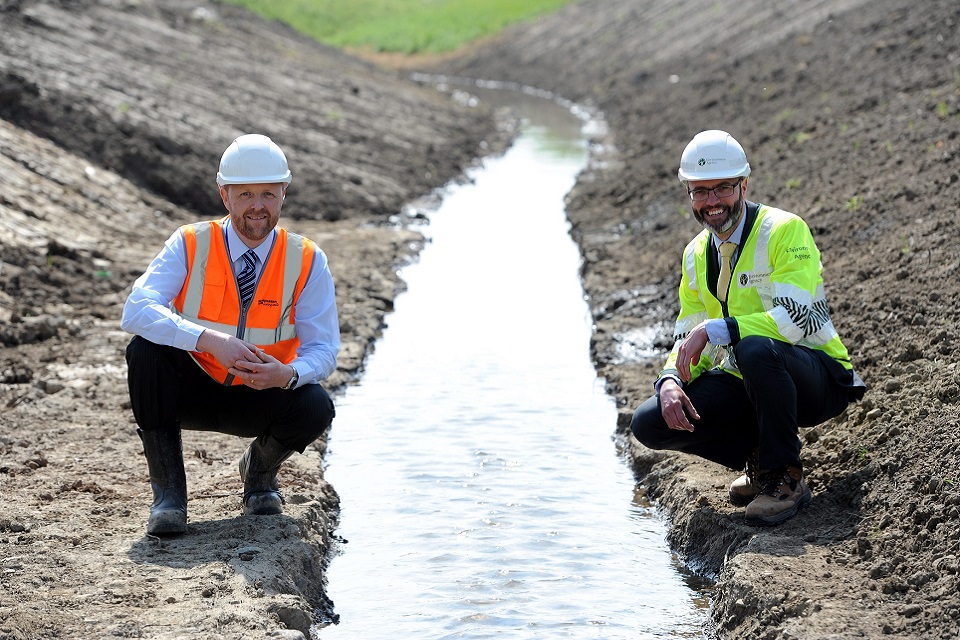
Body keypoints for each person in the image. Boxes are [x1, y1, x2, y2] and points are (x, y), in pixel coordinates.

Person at [630, 130, 865, 526]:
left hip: (815, 377)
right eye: (700, 192)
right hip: (750, 379)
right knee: (650, 421)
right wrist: (670, 377)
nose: (712, 202)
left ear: (744, 185)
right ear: (689, 194)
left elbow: (795, 320)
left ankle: (785, 478)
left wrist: (719, 329)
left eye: (722, 188)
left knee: (755, 346)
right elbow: (687, 331)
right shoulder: (694, 253)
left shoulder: (785, 230)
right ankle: (761, 460)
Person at [121, 133, 339, 535]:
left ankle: (258, 476)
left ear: (284, 193)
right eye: (246, 195)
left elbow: (324, 349)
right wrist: (207, 341)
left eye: (269, 195)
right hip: (191, 388)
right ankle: (169, 498)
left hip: (260, 394)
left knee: (315, 404)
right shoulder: (189, 243)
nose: (258, 206)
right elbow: (136, 309)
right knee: (145, 351)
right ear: (225, 196)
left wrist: (287, 374)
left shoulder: (307, 259)